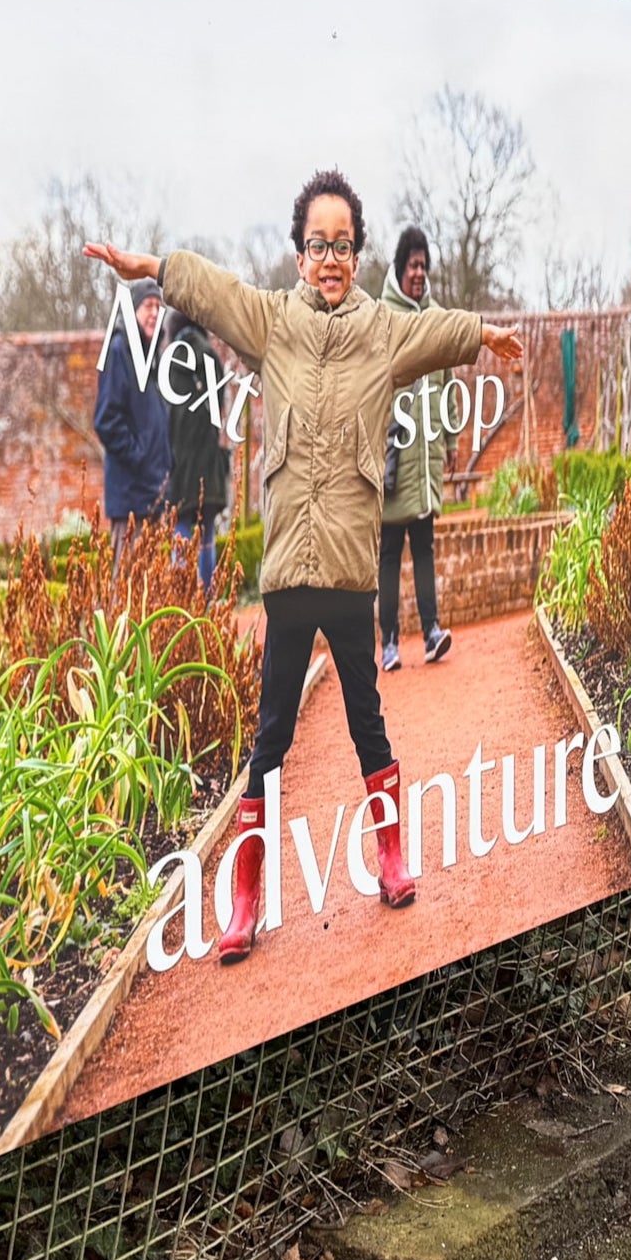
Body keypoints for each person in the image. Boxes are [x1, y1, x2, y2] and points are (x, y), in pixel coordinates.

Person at [84, 172, 525, 963]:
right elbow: (213, 289)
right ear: (299, 255)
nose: (330, 259)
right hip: (289, 569)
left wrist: (485, 334)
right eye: (318, 244)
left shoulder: (380, 332)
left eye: (343, 246)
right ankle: (246, 895)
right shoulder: (272, 323)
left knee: (367, 720)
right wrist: (149, 266)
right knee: (272, 737)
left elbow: (435, 330)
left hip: (352, 568)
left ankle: (391, 856)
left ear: (357, 255)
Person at [376, 226, 452, 670]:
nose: (419, 273)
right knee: (389, 555)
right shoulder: (382, 318)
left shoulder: (436, 318)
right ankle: (388, 642)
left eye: (424, 266)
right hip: (393, 460)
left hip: (425, 461)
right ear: (400, 268)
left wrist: (450, 437)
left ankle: (431, 632)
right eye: (413, 265)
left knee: (424, 550)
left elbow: (447, 385)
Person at [163, 310, 231, 593]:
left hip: (178, 467)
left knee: (180, 530)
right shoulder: (211, 358)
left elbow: (163, 416)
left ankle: (180, 599)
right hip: (207, 467)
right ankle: (207, 601)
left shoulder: (168, 363)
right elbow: (218, 412)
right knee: (206, 537)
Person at [94, 282, 171, 529]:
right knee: (128, 557)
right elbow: (106, 421)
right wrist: (140, 457)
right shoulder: (119, 351)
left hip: (154, 495)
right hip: (130, 499)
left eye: (158, 306)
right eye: (148, 306)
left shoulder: (153, 356)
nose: (155, 313)